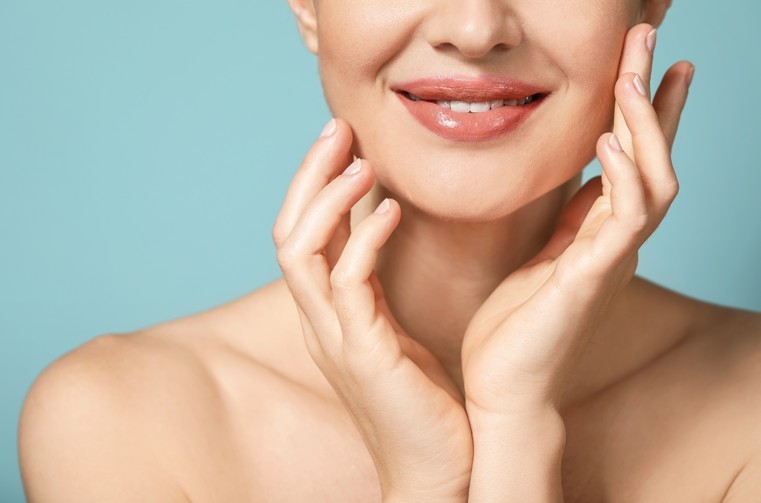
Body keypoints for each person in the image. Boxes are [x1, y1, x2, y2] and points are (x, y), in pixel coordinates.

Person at [17, 0, 761, 501]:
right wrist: (423, 481)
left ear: (649, 5)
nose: (474, 28)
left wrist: (516, 431)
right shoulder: (119, 422)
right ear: (307, 6)